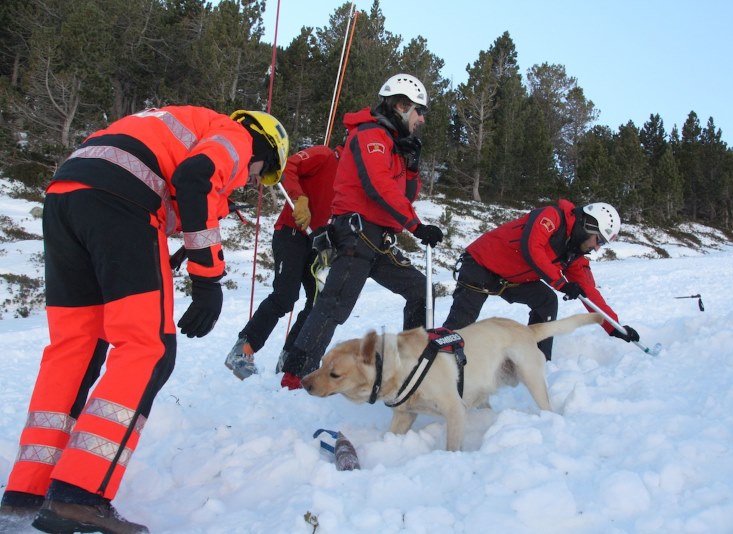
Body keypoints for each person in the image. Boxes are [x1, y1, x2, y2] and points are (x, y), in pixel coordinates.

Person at [0, 106, 288, 533]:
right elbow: (195, 179)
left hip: (65, 197)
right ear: (263, 148)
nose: (249, 179)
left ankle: (26, 490)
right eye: (259, 172)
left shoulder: (171, 122)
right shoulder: (237, 136)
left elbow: (163, 177)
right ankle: (80, 495)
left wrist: (178, 247)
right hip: (121, 204)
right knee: (147, 348)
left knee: (75, 348)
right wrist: (207, 278)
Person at [279, 73, 444, 384]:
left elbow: (404, 196)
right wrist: (417, 226)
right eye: (419, 111)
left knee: (420, 289)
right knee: (334, 305)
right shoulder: (370, 135)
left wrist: (410, 168)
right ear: (401, 105)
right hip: (356, 235)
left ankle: (412, 360)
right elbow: (378, 187)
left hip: (379, 240)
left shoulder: (393, 145)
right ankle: (296, 374)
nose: (422, 119)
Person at [442, 200, 640, 360]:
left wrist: (614, 327)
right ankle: (434, 361)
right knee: (461, 326)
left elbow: (589, 292)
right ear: (588, 226)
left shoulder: (573, 254)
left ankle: (537, 360)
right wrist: (560, 283)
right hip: (480, 265)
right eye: (599, 240)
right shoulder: (551, 216)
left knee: (546, 301)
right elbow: (532, 247)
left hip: (508, 280)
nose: (597, 248)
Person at [224, 142, 343, 385]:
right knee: (285, 296)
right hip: (291, 232)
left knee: (318, 301)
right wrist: (300, 198)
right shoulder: (325, 155)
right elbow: (290, 165)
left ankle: (291, 360)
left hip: (316, 241)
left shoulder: (352, 180)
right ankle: (242, 351)